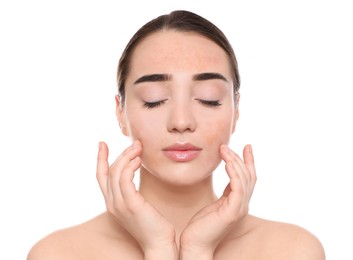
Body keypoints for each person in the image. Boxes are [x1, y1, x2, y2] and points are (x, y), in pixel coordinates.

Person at [27, 10, 325, 259]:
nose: (181, 121)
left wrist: (197, 248)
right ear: (121, 113)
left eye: (209, 98)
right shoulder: (58, 253)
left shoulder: (293, 250)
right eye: (154, 99)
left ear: (235, 111)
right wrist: (157, 247)